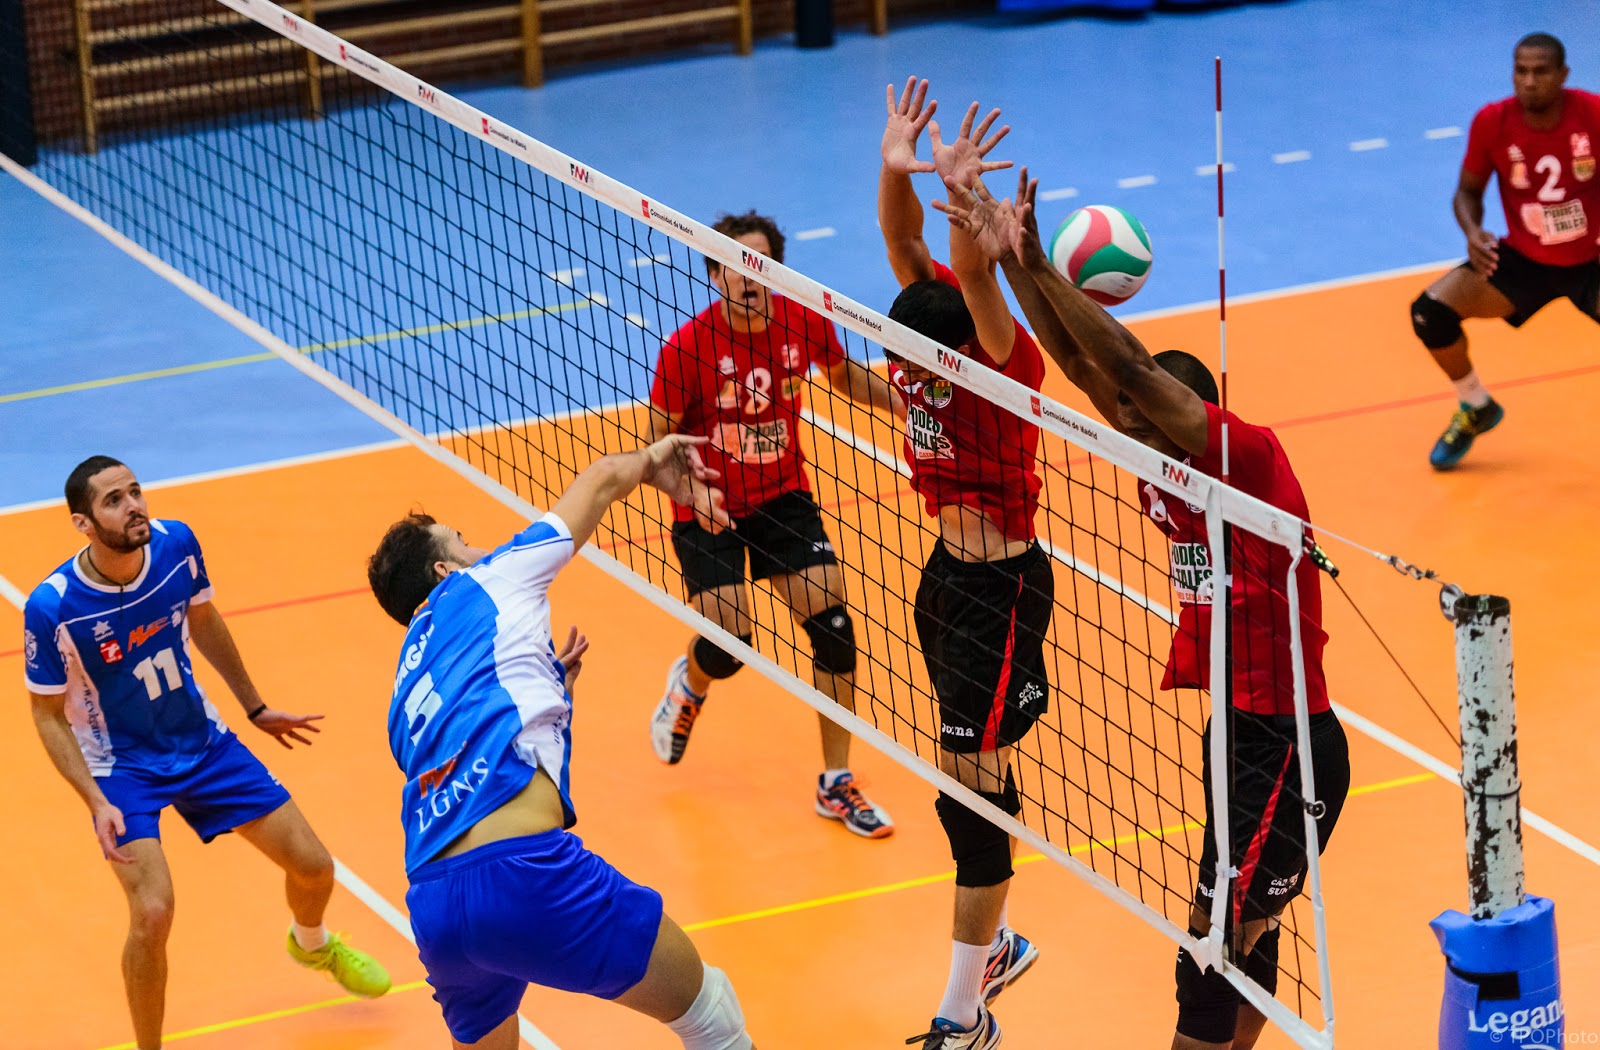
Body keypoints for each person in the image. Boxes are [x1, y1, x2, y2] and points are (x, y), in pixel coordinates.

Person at [938, 171, 1352, 1050]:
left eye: (1142, 413)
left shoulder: (1247, 460)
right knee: (1242, 938)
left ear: (1187, 417)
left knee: (1209, 951)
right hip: (1234, 733)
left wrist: (1038, 262)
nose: (1122, 422)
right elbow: (1093, 370)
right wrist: (1013, 264)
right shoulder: (1155, 458)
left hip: (1291, 750)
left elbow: (1122, 364)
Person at [366, 433, 756, 1050]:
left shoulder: (404, 687)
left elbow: (475, 752)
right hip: (523, 876)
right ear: (445, 569)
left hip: (436, 907)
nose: (480, 546)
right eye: (463, 540)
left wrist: (553, 689)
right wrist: (655, 463)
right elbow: (601, 480)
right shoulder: (491, 578)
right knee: (711, 1012)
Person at [24, 456, 390, 1050]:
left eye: (136, 491)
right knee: (152, 913)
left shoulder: (176, 545)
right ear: (82, 524)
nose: (134, 505)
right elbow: (45, 714)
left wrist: (253, 706)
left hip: (202, 743)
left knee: (316, 866)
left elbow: (204, 618)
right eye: (113, 500)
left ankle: (312, 943)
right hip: (120, 770)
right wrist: (94, 800)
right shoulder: (54, 607)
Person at [879, 79, 1049, 1050]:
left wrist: (979, 248)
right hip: (942, 583)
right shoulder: (918, 341)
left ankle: (962, 1011)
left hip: (1001, 588)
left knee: (973, 786)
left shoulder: (999, 372)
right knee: (957, 775)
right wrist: (896, 170)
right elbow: (907, 249)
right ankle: (996, 944)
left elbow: (978, 300)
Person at [645, 210, 904, 839]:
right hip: (706, 501)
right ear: (714, 274)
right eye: (733, 268)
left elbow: (844, 378)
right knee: (730, 648)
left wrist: (911, 402)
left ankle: (835, 784)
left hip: (782, 496)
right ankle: (692, 683)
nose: (747, 279)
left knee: (836, 630)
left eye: (758, 266)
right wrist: (687, 488)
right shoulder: (687, 348)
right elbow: (654, 442)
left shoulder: (803, 320)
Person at [1410, 33, 1600, 469]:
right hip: (1525, 262)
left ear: (1564, 75)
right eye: (1521, 70)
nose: (1529, 81)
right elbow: (1467, 192)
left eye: (1541, 71)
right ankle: (1475, 405)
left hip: (1591, 261)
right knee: (1429, 312)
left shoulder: (1592, 113)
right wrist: (1473, 232)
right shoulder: (1493, 121)